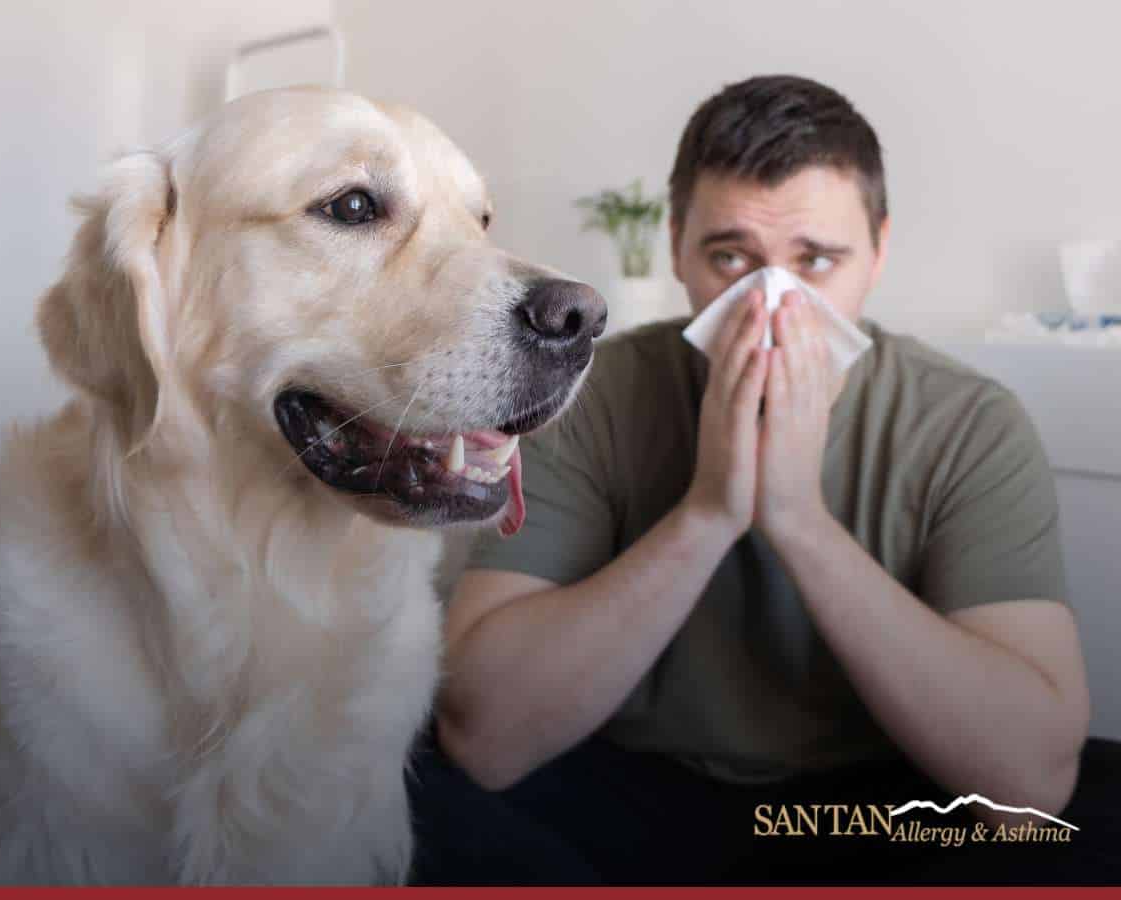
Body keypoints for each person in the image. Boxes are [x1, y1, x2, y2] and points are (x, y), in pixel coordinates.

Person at [406, 74, 1120, 885]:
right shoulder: (591, 397)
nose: (771, 300)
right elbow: (485, 736)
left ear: (879, 252)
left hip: (884, 799)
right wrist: (709, 511)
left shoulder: (968, 423)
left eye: (815, 260)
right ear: (677, 246)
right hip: (624, 777)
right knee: (415, 802)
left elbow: (1027, 785)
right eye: (731, 257)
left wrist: (797, 518)